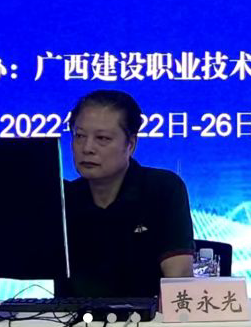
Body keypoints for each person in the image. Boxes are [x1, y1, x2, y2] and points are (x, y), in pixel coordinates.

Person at [55, 90, 195, 298]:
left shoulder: (163, 189)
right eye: (79, 136)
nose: (87, 148)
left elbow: (179, 277)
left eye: (102, 138)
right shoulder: (62, 199)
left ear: (131, 144)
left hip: (148, 315)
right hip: (71, 316)